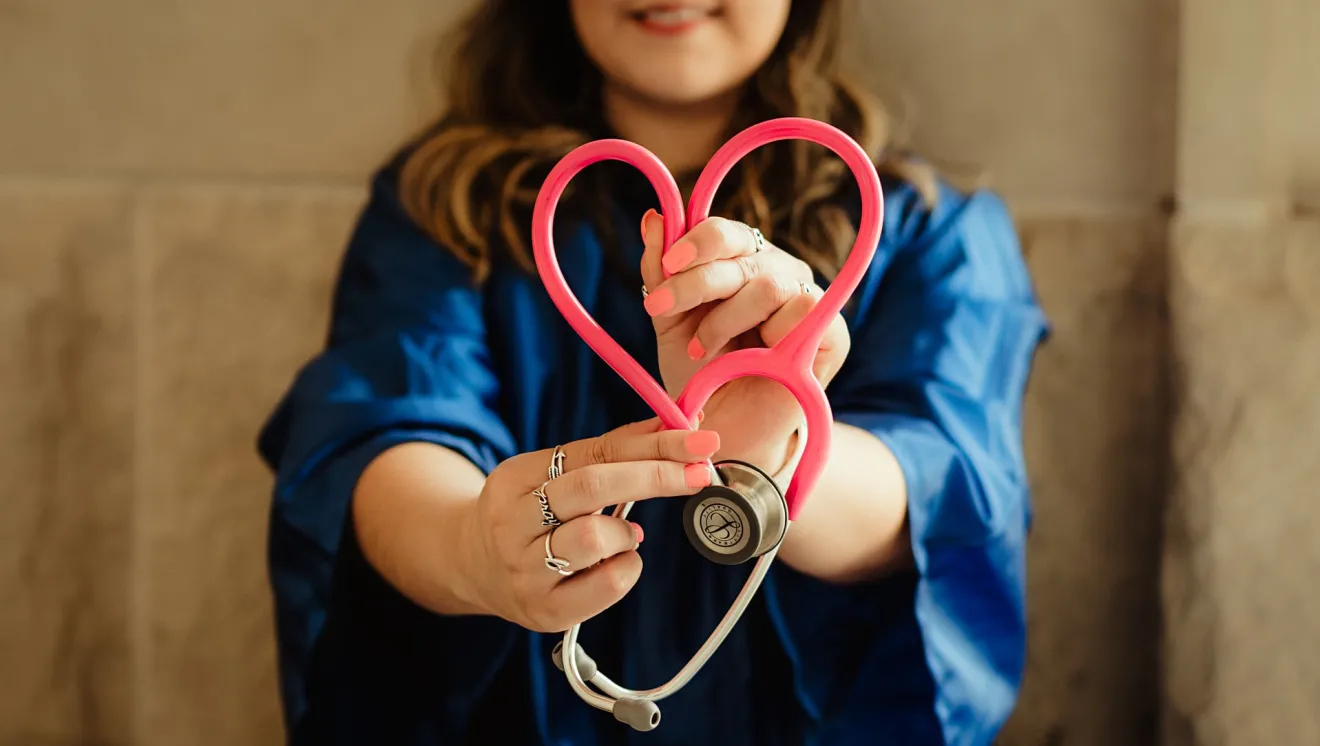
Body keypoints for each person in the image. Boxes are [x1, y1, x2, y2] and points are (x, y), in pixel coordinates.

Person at [256, 1, 1049, 744]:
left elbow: (943, 483)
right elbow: (379, 428)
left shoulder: (931, 231)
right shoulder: (440, 208)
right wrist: (472, 550)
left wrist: (768, 457)